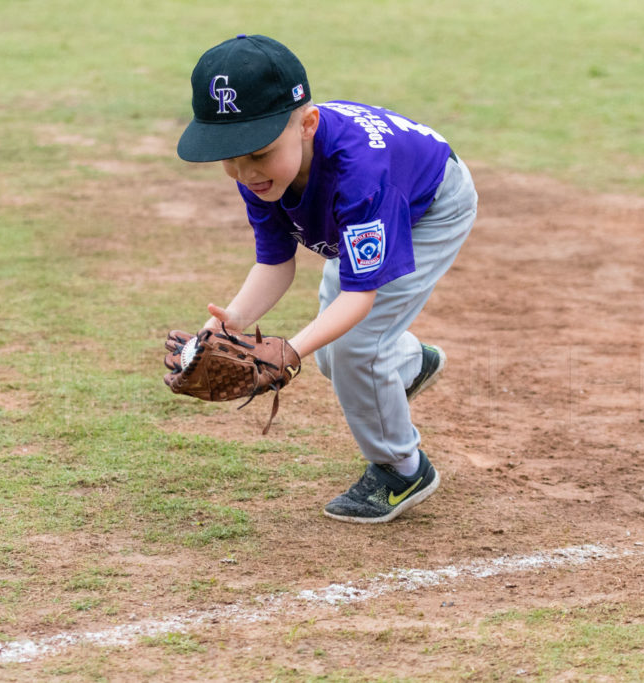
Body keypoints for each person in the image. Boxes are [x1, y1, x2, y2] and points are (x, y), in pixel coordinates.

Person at [175, 35, 478, 523]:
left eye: (256, 152)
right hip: (360, 211)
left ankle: (403, 469)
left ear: (308, 124)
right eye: (228, 155)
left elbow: (360, 297)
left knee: (356, 348)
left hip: (428, 207)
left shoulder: (360, 175)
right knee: (339, 355)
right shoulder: (265, 168)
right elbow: (275, 263)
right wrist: (232, 320)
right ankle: (406, 365)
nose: (245, 170)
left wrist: (291, 349)